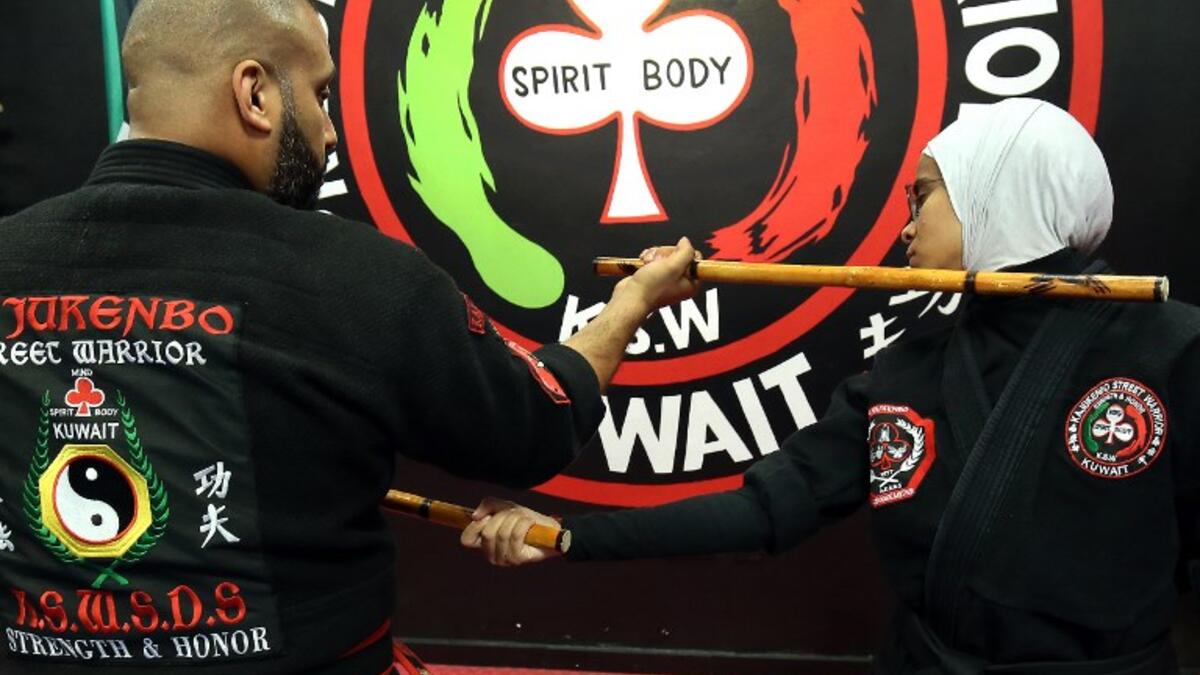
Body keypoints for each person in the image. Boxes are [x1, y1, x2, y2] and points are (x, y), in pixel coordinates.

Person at [0, 1, 699, 673]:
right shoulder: (358, 277)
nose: (330, 132)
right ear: (255, 93)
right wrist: (632, 301)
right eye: (320, 93)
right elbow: (538, 419)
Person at [463, 98, 1200, 674]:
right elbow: (764, 509)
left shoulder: (1173, 348)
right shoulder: (909, 366)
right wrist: (569, 535)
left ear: (994, 191)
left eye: (925, 197)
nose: (906, 227)